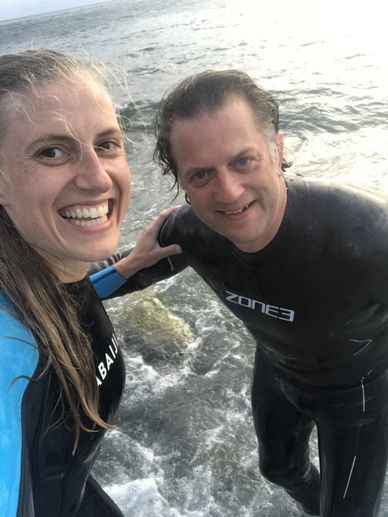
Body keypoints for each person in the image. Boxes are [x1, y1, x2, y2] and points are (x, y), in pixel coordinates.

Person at [94, 70, 388, 516]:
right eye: (201, 175)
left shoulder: (365, 237)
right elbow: (99, 282)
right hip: (278, 372)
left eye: (243, 161)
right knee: (280, 471)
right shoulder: (191, 232)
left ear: (278, 150)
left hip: (359, 399)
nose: (228, 192)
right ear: (182, 182)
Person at [0, 48, 180, 517]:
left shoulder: (43, 272)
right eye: (52, 151)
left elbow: (61, 301)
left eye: (107, 143)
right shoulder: (7, 360)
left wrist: (126, 267)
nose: (98, 178)